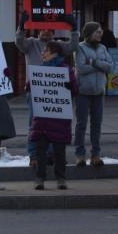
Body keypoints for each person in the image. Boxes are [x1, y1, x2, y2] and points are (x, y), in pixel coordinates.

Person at [15, 11, 79, 167]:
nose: (46, 31)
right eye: (43, 29)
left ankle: (51, 155)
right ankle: (34, 155)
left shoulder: (58, 46)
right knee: (34, 123)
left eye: (50, 29)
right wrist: (21, 26)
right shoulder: (31, 43)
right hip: (35, 90)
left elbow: (73, 46)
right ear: (38, 30)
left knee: (53, 124)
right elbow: (19, 42)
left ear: (53, 32)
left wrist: (74, 29)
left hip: (54, 91)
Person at [29, 41, 77, 190]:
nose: (43, 53)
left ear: (55, 53)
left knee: (59, 151)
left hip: (58, 119)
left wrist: (71, 87)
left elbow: (75, 90)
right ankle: (39, 178)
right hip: (43, 119)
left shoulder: (66, 70)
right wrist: (28, 85)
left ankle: (61, 178)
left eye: (46, 51)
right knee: (41, 150)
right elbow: (30, 86)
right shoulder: (39, 70)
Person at [74, 22, 113, 167]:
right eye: (97, 31)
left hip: (99, 92)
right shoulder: (80, 47)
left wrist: (94, 62)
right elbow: (81, 68)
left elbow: (110, 66)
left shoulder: (103, 48)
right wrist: (99, 65)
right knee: (81, 124)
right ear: (89, 33)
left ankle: (96, 154)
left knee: (97, 124)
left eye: (100, 31)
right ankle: (80, 154)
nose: (100, 34)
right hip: (83, 92)